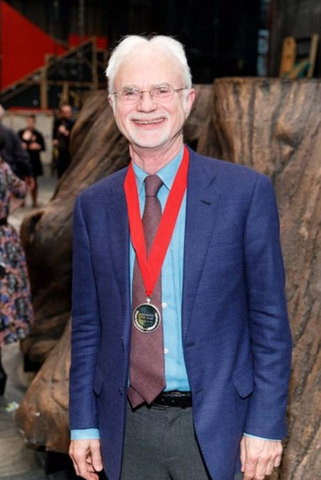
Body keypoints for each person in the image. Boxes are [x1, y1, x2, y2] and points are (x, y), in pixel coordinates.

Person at [69, 36, 292, 480]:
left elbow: (269, 321)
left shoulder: (244, 194)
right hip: (124, 431)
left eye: (161, 91)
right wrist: (82, 421)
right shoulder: (93, 205)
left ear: (188, 100)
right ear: (114, 105)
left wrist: (266, 425)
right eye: (130, 92)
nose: (146, 105)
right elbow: (88, 327)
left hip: (219, 428)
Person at [0, 129, 34, 396]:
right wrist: (7, 211)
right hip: (3, 239)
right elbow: (23, 188)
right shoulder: (3, 167)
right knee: (4, 302)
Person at [18, 115, 46, 208]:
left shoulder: (38, 134)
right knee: (22, 181)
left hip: (34, 160)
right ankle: (22, 201)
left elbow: (43, 147)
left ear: (34, 123)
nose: (30, 123)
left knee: (34, 181)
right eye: (28, 121)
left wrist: (37, 146)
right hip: (23, 160)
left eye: (32, 122)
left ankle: (34, 201)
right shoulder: (21, 133)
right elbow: (18, 145)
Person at [52, 105, 75, 178]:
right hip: (59, 150)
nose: (69, 113)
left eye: (69, 112)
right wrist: (54, 140)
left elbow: (73, 136)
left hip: (68, 150)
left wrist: (65, 132)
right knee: (60, 168)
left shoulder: (72, 123)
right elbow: (54, 134)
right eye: (67, 112)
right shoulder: (58, 122)